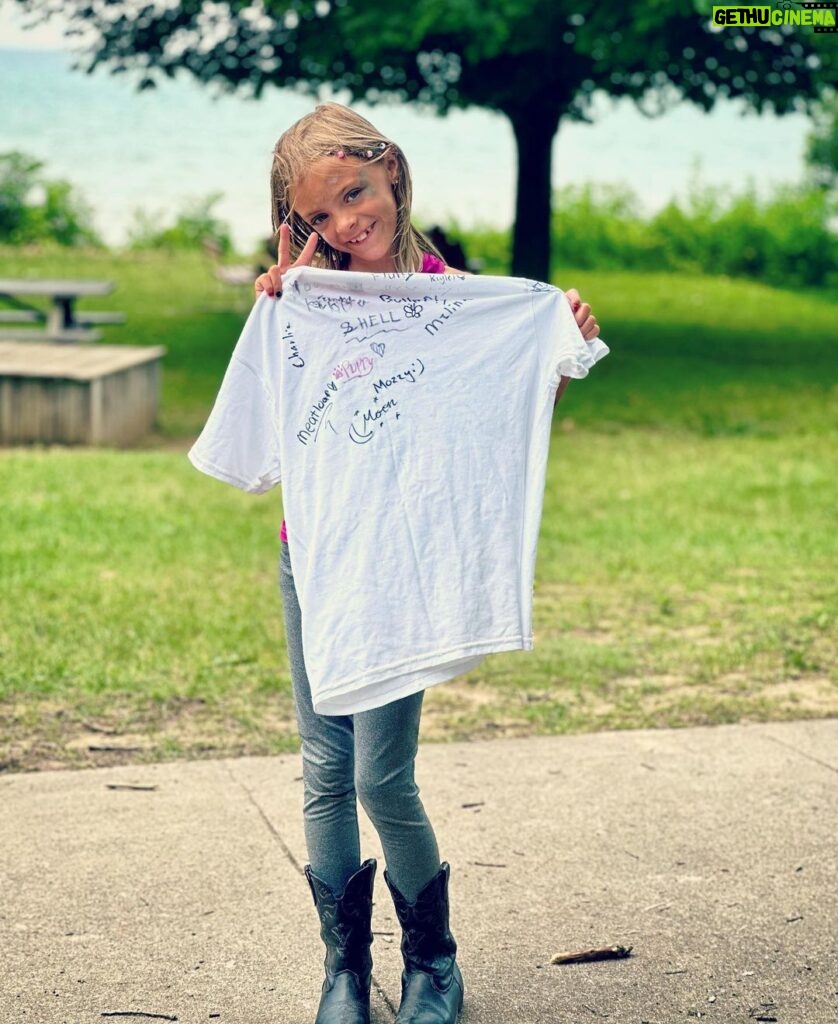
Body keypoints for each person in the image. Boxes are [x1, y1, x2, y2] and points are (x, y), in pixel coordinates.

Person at [248, 103, 601, 1024]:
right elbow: (278, 415)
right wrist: (286, 284)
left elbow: (492, 409)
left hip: (401, 567)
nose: (346, 224)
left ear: (393, 173)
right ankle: (343, 973)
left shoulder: (458, 302)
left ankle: (434, 965)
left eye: (355, 194)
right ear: (299, 223)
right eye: (321, 215)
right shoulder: (303, 300)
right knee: (324, 768)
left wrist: (549, 350)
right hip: (314, 557)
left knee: (381, 777)